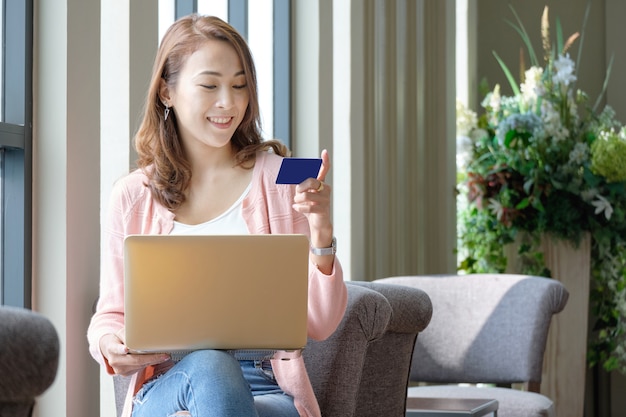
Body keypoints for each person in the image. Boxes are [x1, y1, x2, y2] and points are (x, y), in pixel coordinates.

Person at [87, 14, 347, 417]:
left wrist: (322, 232)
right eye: (210, 85)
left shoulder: (283, 174)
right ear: (166, 93)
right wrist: (109, 344)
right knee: (210, 366)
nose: (229, 102)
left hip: (266, 389)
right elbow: (110, 314)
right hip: (168, 388)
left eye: (240, 86)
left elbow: (321, 324)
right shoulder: (132, 195)